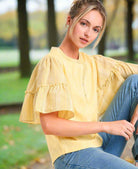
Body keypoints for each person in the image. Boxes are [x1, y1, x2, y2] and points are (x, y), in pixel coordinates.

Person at [19, 0, 138, 168]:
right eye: (84, 23)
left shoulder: (94, 64)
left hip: (99, 146)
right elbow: (49, 125)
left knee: (135, 83)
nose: (88, 33)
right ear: (69, 20)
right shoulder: (52, 62)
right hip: (71, 155)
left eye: (95, 29)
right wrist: (106, 126)